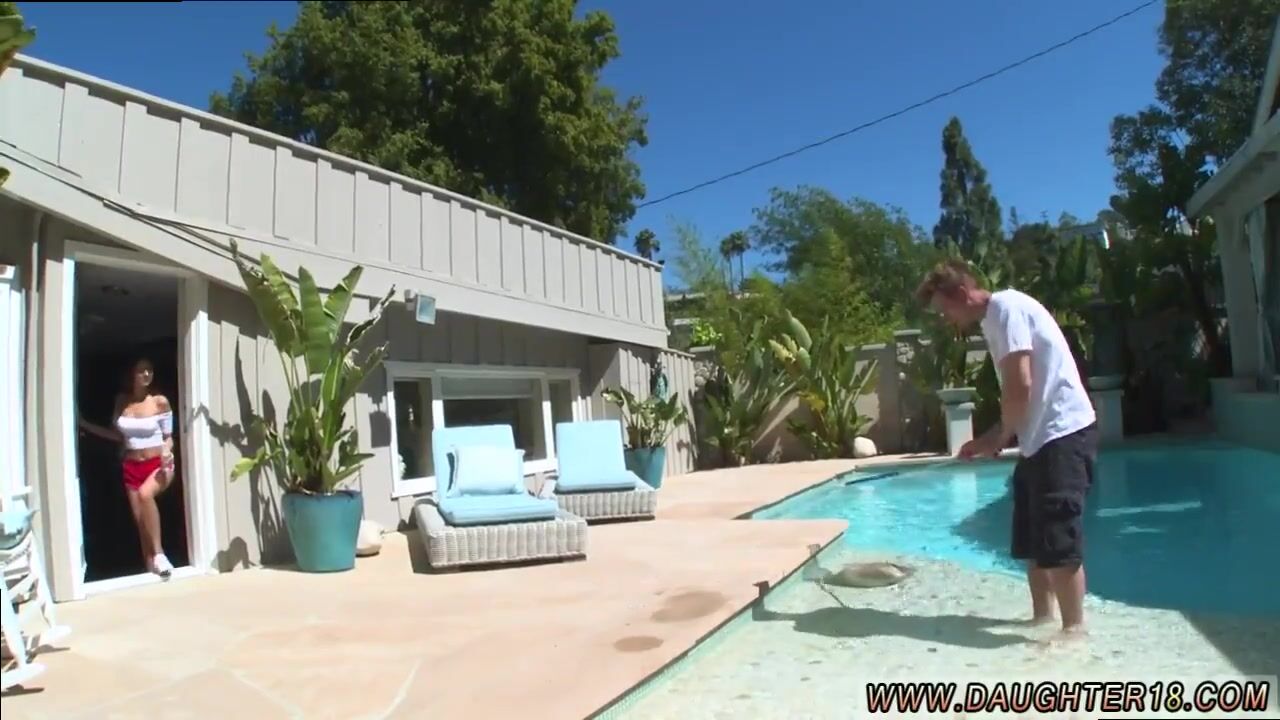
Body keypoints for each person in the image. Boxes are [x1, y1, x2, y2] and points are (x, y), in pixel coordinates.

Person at [915, 258, 1098, 638]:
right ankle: (1041, 620)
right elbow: (1018, 392)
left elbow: (1020, 384)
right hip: (1037, 439)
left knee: (1058, 538)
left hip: (1061, 433)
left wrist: (997, 439)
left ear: (962, 294)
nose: (945, 319)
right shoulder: (993, 319)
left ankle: (1074, 631)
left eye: (945, 310)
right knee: (1033, 539)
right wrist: (993, 438)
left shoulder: (1007, 309)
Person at [78, 357, 177, 578]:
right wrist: (85, 425)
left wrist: (166, 450)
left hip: (159, 464)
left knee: (145, 495)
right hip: (132, 466)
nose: (147, 374)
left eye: (149, 370)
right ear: (131, 374)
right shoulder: (122, 402)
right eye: (141, 370)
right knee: (141, 523)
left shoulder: (159, 402)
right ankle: (152, 570)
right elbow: (117, 436)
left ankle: (160, 554)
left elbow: (168, 437)